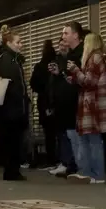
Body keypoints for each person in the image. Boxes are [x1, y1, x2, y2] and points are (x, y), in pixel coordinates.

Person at [67, 31, 106, 184]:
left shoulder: (94, 58)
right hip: (93, 105)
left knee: (93, 140)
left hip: (93, 105)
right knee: (89, 139)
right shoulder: (98, 58)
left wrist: (75, 70)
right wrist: (74, 78)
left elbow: (89, 82)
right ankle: (87, 172)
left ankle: (96, 174)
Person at [0, 25, 29, 182]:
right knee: (12, 141)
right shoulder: (8, 60)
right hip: (11, 108)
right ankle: (12, 171)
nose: (21, 45)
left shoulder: (10, 59)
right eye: (18, 42)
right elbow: (11, 84)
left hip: (10, 107)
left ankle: (12, 170)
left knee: (12, 141)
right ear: (9, 43)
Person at [47, 21, 86, 177]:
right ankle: (76, 166)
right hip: (68, 102)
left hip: (78, 101)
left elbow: (80, 79)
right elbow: (69, 79)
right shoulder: (69, 55)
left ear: (75, 35)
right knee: (72, 136)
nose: (63, 37)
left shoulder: (82, 54)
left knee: (79, 138)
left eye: (66, 33)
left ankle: (82, 167)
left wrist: (70, 73)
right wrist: (60, 73)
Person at [29, 39, 59, 170]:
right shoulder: (57, 63)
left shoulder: (40, 66)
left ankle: (51, 159)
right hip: (58, 101)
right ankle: (61, 159)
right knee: (62, 132)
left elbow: (33, 84)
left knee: (49, 134)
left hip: (44, 102)